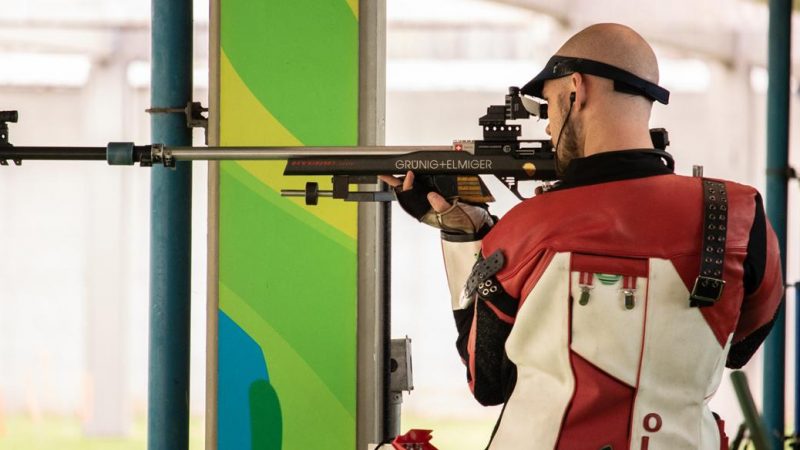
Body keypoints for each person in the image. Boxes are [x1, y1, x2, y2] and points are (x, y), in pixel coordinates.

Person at [381, 23, 783, 450]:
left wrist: (467, 235)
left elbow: (488, 381)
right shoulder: (737, 215)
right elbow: (738, 346)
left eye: (550, 105)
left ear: (577, 87)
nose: (549, 126)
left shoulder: (527, 227)